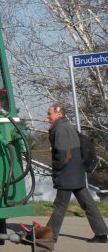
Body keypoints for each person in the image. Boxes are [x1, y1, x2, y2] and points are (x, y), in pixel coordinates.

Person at [46, 104, 108, 243]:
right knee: (88, 204)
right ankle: (102, 233)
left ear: (59, 114)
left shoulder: (60, 129)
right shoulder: (68, 126)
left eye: (49, 113)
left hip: (67, 174)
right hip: (77, 172)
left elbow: (63, 155)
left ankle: (50, 236)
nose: (47, 116)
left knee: (60, 206)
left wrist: (56, 169)